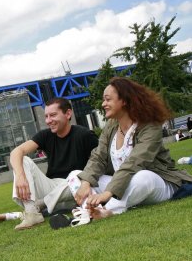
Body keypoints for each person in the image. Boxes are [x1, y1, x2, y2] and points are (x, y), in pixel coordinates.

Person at [66, 77, 192, 222]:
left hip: (157, 183)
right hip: (123, 187)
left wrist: (108, 192)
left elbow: (135, 162)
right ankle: (88, 212)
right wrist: (86, 182)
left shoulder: (150, 126)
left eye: (108, 99)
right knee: (76, 175)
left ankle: (107, 211)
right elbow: (98, 157)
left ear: (124, 100)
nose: (103, 104)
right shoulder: (111, 125)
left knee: (143, 176)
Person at [9, 97, 99, 230]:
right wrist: (21, 176)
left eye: (53, 115)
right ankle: (32, 213)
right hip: (52, 187)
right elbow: (16, 152)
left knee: (79, 175)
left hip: (75, 190)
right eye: (46, 116)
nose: (48, 121)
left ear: (68, 114)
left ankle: (40, 205)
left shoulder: (85, 135)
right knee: (22, 160)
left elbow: (99, 163)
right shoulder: (46, 135)